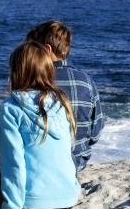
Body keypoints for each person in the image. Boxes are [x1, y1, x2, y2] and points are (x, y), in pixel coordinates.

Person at [0, 41, 80, 209]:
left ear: (16, 71)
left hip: (33, 203)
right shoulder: (62, 102)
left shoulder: (10, 109)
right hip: (68, 198)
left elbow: (14, 163)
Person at [25, 20, 104, 172]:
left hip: (39, 169)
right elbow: (95, 133)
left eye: (32, 50)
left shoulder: (33, 82)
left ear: (47, 50)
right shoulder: (87, 81)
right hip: (76, 165)